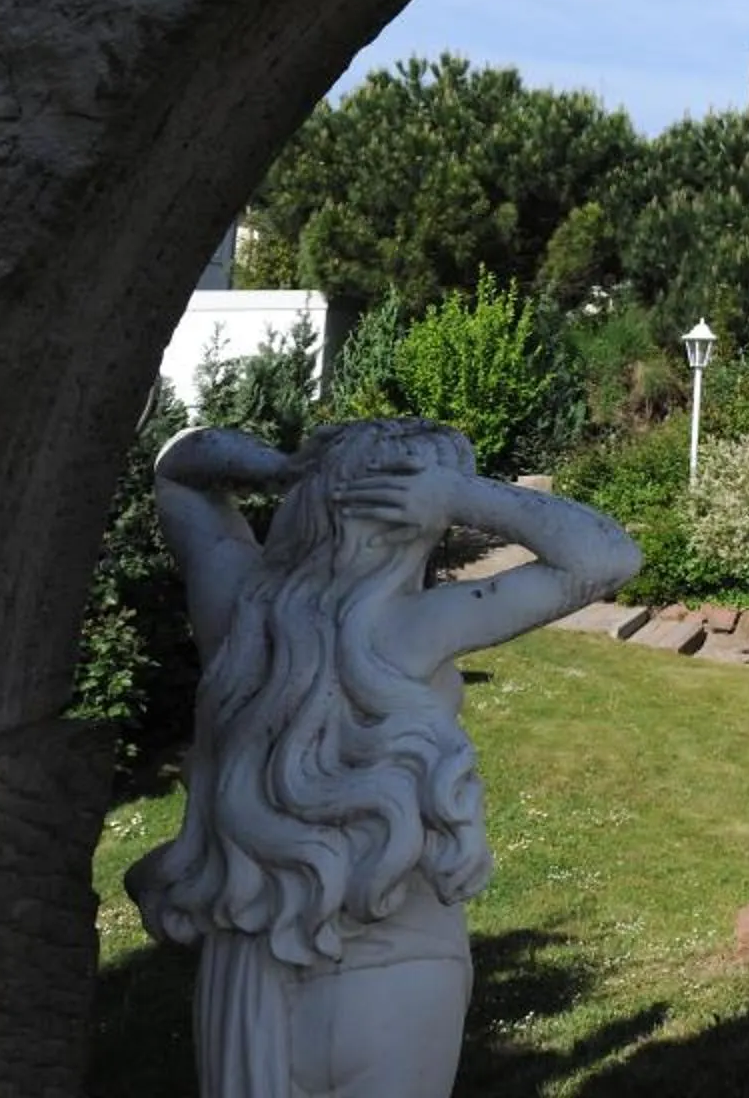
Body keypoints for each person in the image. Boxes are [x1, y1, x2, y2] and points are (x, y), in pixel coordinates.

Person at [125, 418, 639, 1098]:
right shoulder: (408, 628)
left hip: (251, 956)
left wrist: (281, 467)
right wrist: (462, 495)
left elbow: (178, 469)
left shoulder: (238, 608)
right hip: (391, 950)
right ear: (412, 521)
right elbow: (605, 557)